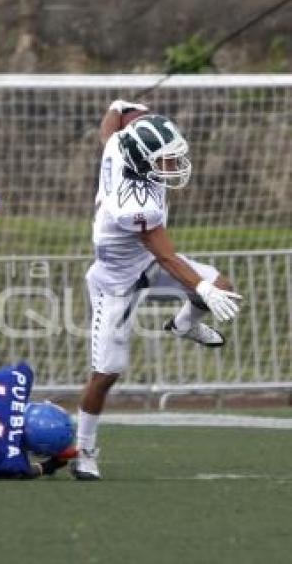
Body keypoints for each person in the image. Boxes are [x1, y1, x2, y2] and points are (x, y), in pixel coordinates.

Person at [73, 100, 243, 480]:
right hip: (116, 282)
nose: (173, 166)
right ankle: (84, 451)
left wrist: (120, 105)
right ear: (142, 162)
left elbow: (112, 125)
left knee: (222, 287)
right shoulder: (134, 203)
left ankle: (183, 325)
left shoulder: (120, 143)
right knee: (107, 373)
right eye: (164, 161)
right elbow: (166, 256)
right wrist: (198, 287)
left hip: (146, 261)